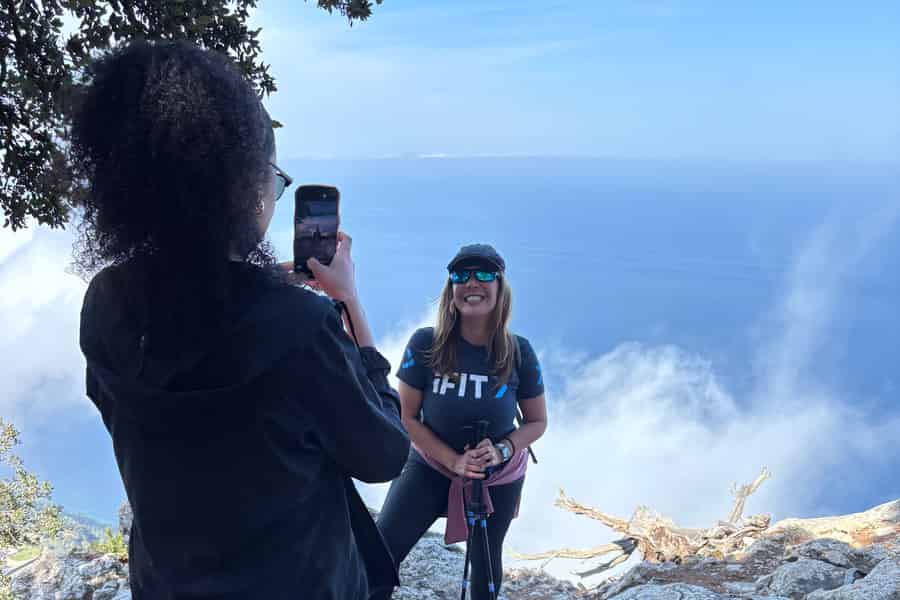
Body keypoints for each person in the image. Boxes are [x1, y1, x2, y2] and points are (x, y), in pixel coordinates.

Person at [73, 40, 409, 599]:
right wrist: (348, 303)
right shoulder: (302, 327)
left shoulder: (106, 303)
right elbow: (384, 454)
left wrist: (262, 289)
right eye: (272, 178)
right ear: (237, 185)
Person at [376, 244, 548, 599]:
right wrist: (453, 460)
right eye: (461, 275)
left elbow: (537, 422)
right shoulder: (426, 343)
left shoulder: (519, 352)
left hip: (496, 474)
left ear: (500, 287)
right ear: (450, 288)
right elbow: (407, 417)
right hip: (429, 465)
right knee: (378, 556)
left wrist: (502, 449)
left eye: (485, 274)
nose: (473, 283)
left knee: (485, 572)